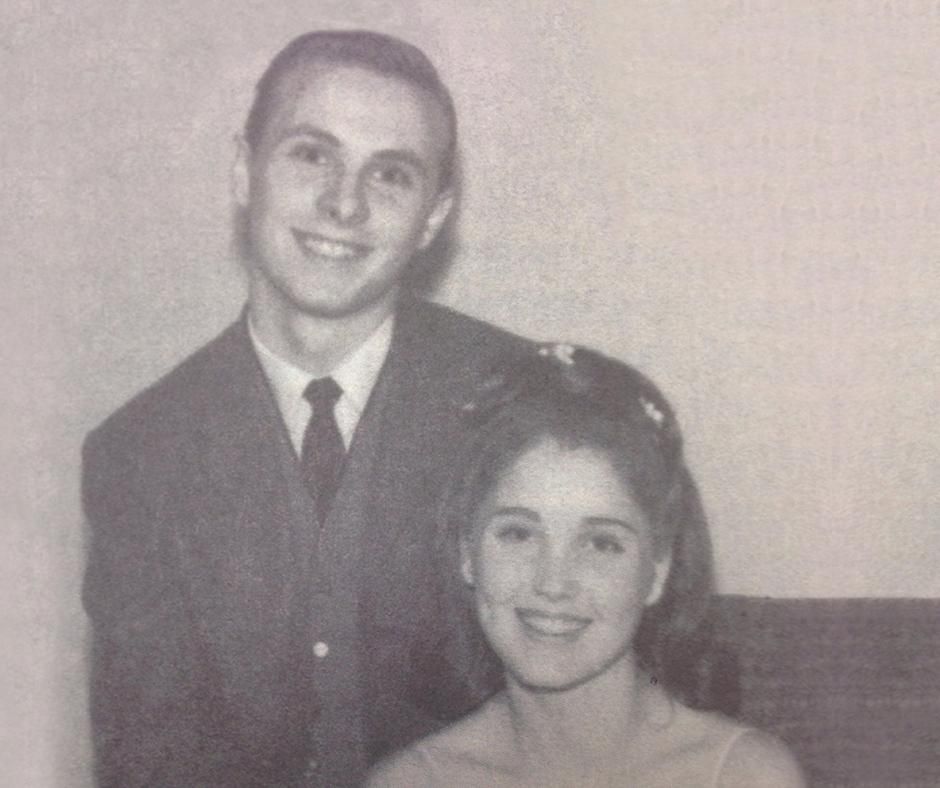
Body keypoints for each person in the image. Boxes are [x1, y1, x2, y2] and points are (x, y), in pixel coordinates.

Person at [81, 30, 529, 787]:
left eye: (389, 174)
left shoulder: (524, 408)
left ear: (432, 216)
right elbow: (148, 760)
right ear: (242, 171)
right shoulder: (138, 453)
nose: (343, 204)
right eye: (312, 155)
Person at [368, 343, 806, 787]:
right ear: (467, 553)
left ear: (657, 569)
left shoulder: (740, 775)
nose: (553, 583)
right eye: (518, 533)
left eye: (601, 543)